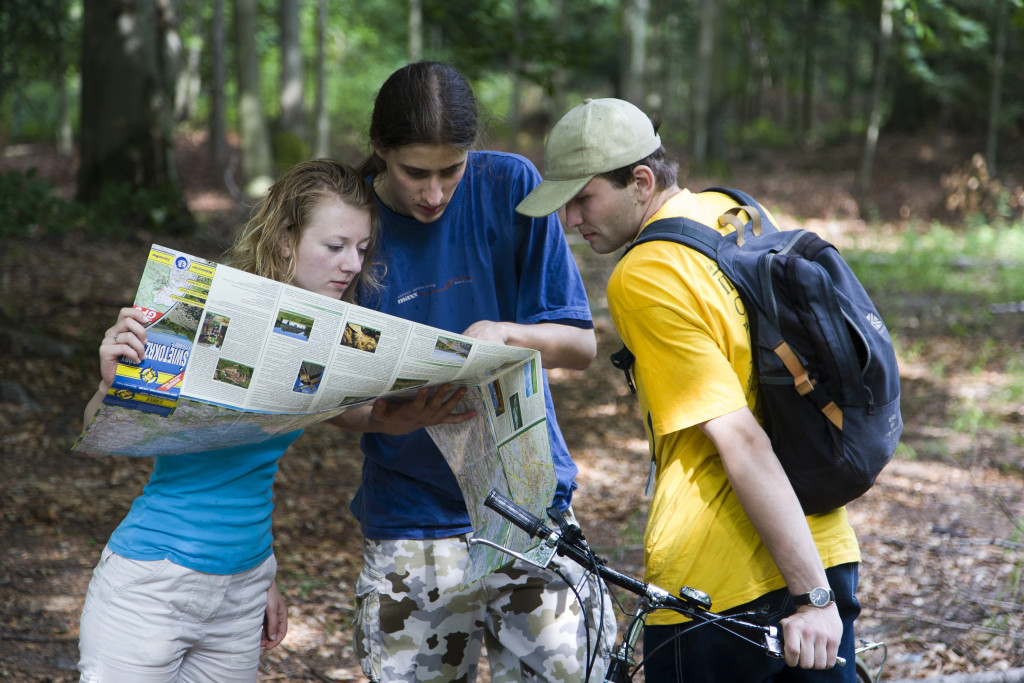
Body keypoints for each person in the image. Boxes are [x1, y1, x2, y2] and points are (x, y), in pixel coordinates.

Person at [516, 98, 862, 682]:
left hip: (719, 579)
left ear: (641, 181)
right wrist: (820, 591)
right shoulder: (732, 213)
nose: (572, 220)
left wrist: (811, 600)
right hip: (822, 540)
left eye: (583, 198)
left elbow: (741, 438)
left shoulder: (646, 274)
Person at [328, 61, 616, 683]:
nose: (433, 194)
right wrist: (391, 416)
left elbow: (579, 345)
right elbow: (330, 401)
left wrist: (506, 334)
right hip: (412, 518)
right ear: (380, 152)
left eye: (450, 171)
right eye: (414, 173)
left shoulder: (510, 186)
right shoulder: (347, 227)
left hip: (527, 506)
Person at [76, 159, 417, 681]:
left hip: (243, 585)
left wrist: (266, 576)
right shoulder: (202, 313)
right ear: (285, 241)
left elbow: (339, 416)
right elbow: (105, 435)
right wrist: (110, 384)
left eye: (363, 249)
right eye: (335, 246)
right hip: (154, 581)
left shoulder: (323, 336)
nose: (352, 264)